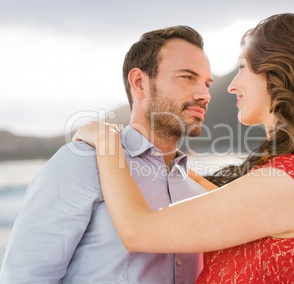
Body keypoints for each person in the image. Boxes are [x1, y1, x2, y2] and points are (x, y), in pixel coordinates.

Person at [73, 13, 294, 283]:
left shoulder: (286, 182)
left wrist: (108, 141)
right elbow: (235, 210)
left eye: (243, 67)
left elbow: (137, 231)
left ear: (280, 72)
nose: (232, 86)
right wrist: (171, 167)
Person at [0, 26, 215, 283]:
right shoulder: (81, 162)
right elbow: (26, 277)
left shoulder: (196, 189)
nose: (204, 94)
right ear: (139, 83)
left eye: (207, 83)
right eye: (187, 77)